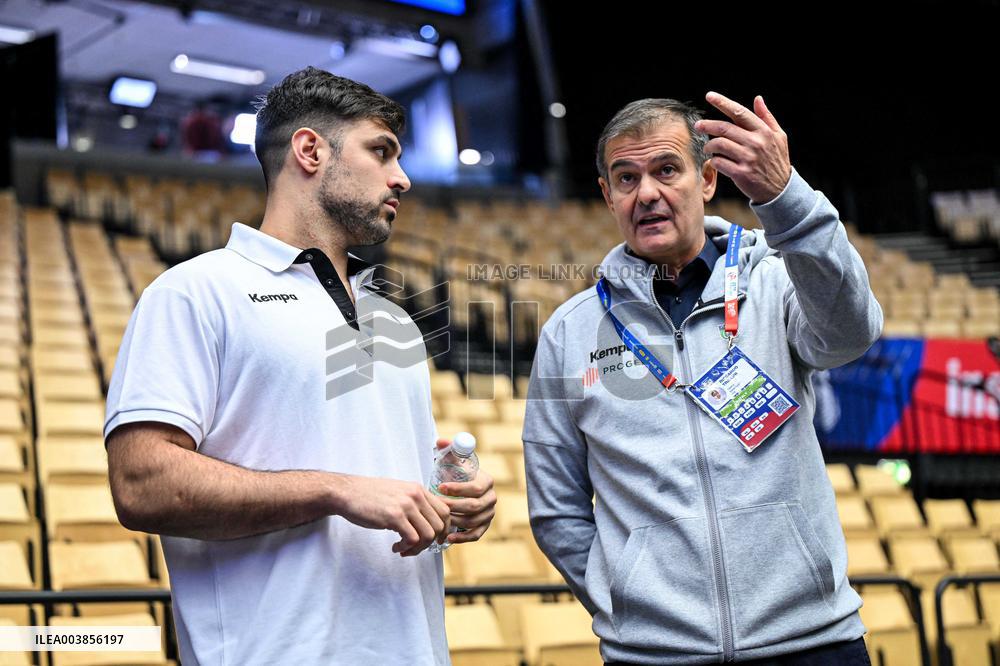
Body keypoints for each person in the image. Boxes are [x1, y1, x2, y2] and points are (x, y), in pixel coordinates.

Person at [105, 67, 496, 665]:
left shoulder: (394, 319)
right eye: (382, 151)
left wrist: (450, 502)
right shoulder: (195, 292)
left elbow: (384, 487)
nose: (403, 178)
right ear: (310, 151)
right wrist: (333, 490)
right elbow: (141, 485)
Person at [523, 93, 881, 664]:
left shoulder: (775, 284)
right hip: (654, 655)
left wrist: (784, 198)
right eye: (626, 177)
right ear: (608, 196)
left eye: (667, 170)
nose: (646, 193)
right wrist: (629, 604)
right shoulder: (570, 332)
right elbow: (556, 508)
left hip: (814, 641)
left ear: (708, 179)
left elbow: (850, 333)